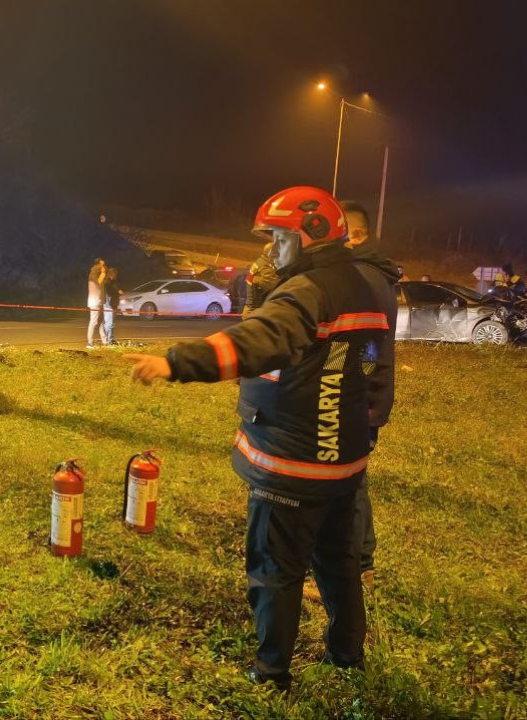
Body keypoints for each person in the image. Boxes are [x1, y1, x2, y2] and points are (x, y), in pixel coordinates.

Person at [125, 187, 392, 690]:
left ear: (307, 236)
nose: (271, 248)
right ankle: (346, 656)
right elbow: (372, 364)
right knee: (338, 566)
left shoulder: (307, 292)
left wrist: (175, 362)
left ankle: (270, 674)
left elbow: (259, 338)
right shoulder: (361, 287)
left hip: (292, 466)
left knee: (275, 571)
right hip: (342, 464)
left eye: (277, 236)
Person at [339, 200, 400, 585]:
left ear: (357, 235)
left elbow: (368, 347)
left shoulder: (364, 279)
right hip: (361, 396)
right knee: (351, 480)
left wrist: (348, 388)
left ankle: (358, 568)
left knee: (347, 483)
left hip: (357, 399)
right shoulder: (365, 274)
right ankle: (360, 564)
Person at [242, 242, 279, 315]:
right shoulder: (265, 265)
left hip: (254, 307)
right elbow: (271, 283)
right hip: (254, 309)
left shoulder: (263, 261)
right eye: (275, 252)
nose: (277, 254)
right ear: (270, 253)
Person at [86, 259, 107, 348]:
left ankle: (105, 341)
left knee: (101, 322)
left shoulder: (93, 275)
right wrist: (103, 272)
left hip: (98, 302)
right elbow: (99, 282)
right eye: (102, 265)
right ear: (97, 265)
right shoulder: (94, 276)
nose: (104, 267)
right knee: (94, 322)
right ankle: (90, 343)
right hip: (95, 302)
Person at [101, 267, 122, 346]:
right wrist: (118, 291)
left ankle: (111, 339)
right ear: (111, 274)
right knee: (109, 323)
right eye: (115, 274)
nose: (116, 276)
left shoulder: (112, 282)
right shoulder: (108, 283)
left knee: (112, 323)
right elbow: (112, 292)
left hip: (113, 304)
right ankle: (107, 341)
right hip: (109, 305)